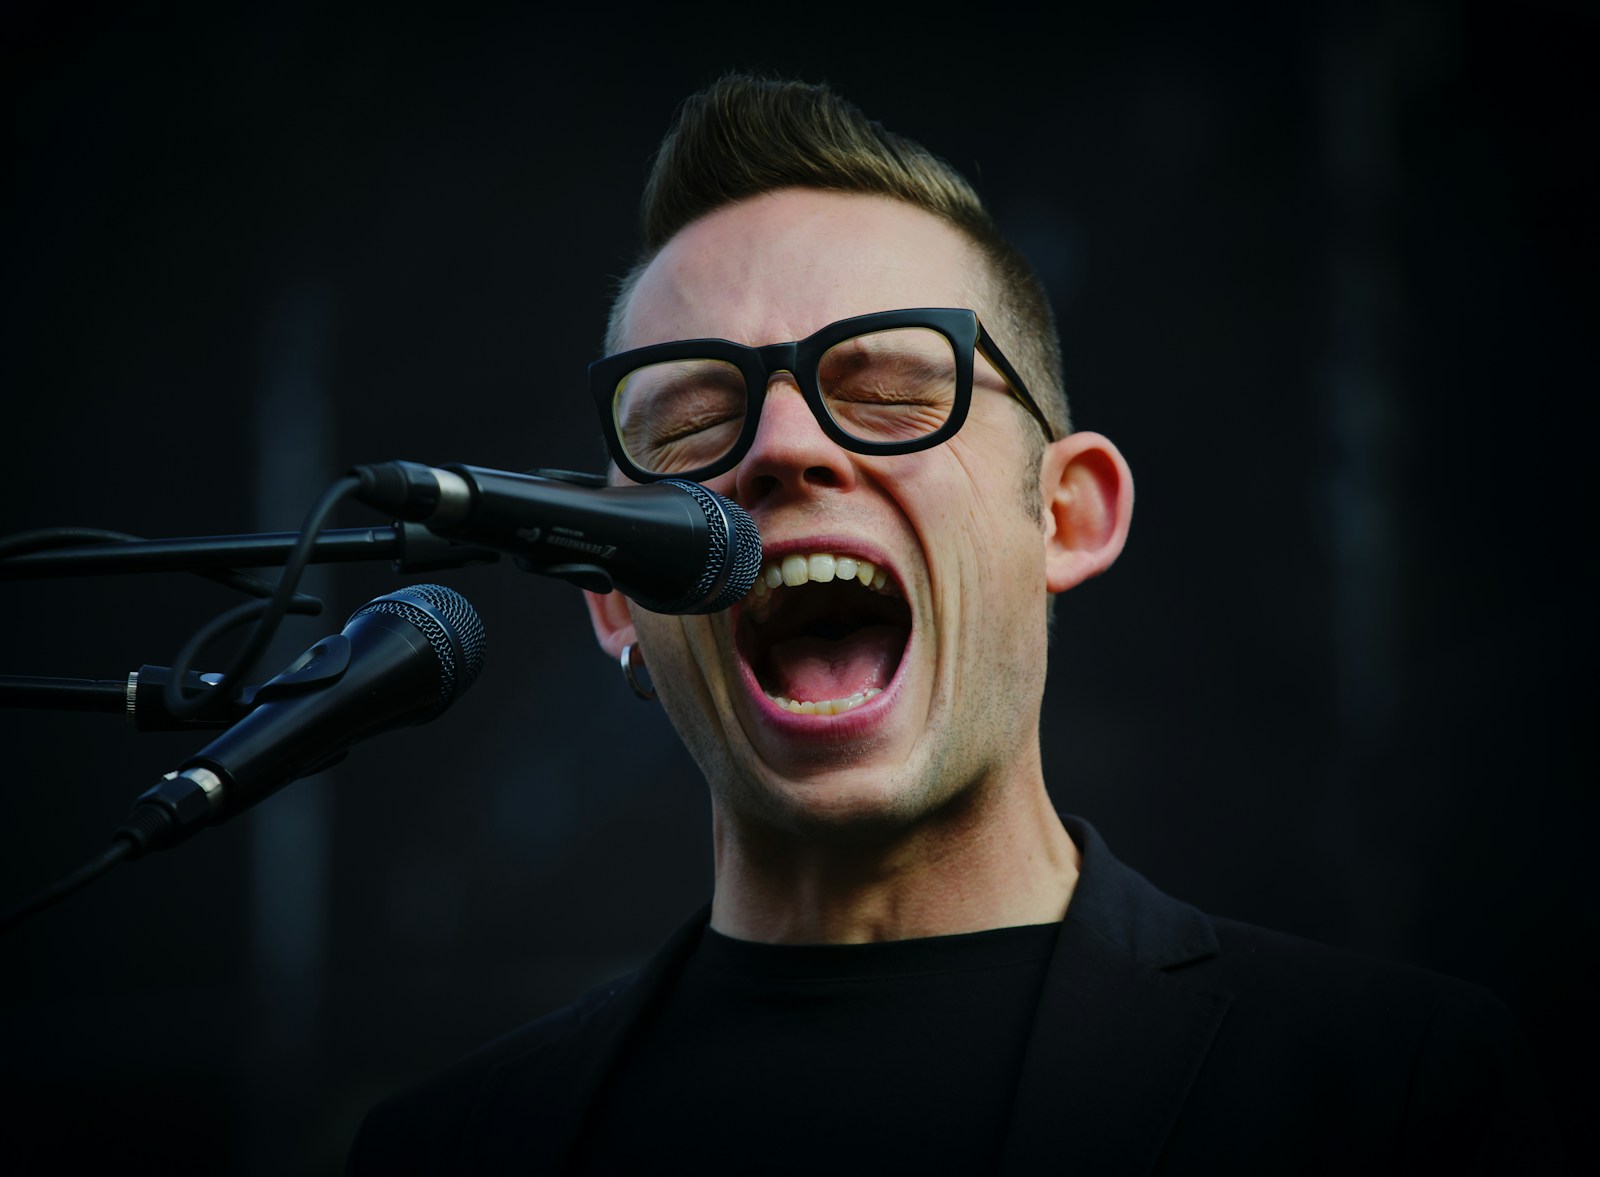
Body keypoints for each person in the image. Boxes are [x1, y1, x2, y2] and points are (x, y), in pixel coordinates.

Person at [348, 75, 1563, 1174]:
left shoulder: (1390, 1096)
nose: (782, 448)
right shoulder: (449, 1154)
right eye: (688, 429)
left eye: (886, 393)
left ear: (1067, 516)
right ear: (614, 598)